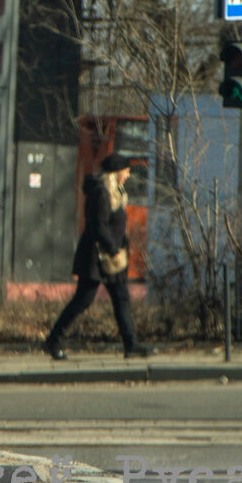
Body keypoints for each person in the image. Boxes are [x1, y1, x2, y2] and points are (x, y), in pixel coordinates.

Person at [43, 153, 156, 360]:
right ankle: (53, 340)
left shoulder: (117, 193)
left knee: (121, 299)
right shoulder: (100, 193)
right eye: (126, 170)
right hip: (96, 257)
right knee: (83, 300)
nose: (129, 174)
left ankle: (131, 345)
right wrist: (113, 248)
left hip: (112, 258)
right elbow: (98, 225)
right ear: (115, 173)